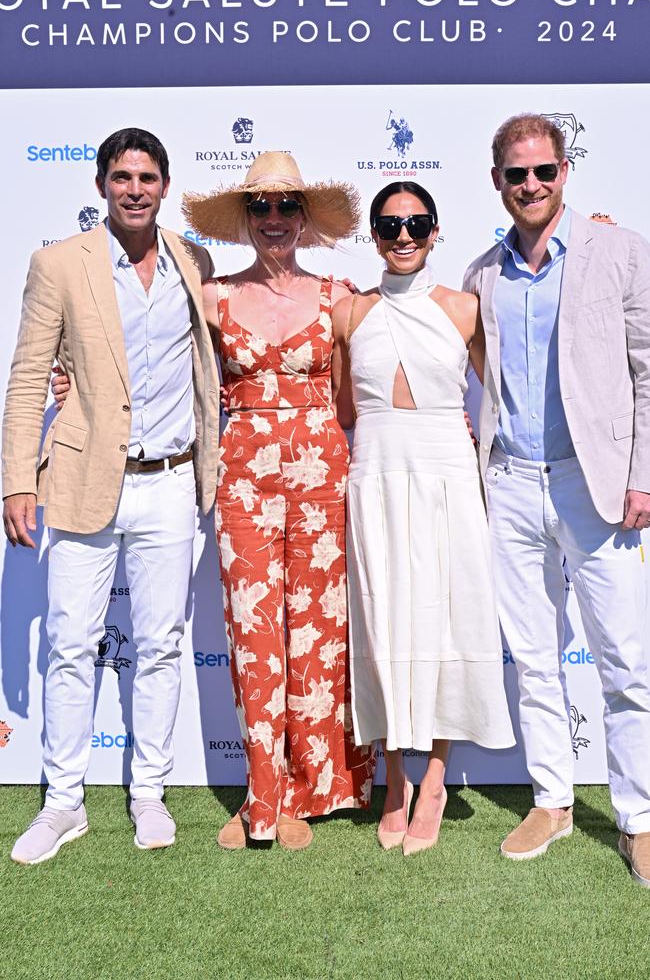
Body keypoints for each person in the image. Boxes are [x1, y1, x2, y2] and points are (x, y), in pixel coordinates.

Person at [3, 128, 220, 864]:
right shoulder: (59, 264)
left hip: (171, 483)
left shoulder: (195, 262)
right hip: (82, 480)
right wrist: (15, 481)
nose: (134, 189)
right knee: (70, 645)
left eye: (147, 177)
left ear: (165, 186)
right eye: (122, 176)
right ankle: (64, 803)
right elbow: (30, 375)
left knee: (160, 646)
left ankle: (149, 793)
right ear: (100, 185)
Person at [463, 113, 650, 884]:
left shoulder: (618, 250)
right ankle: (553, 798)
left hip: (595, 483)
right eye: (517, 174)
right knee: (536, 661)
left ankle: (638, 817)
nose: (531, 185)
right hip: (509, 481)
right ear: (498, 182)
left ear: (565, 172)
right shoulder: (483, 274)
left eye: (543, 171)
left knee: (626, 661)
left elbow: (647, 365)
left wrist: (643, 473)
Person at [182, 152, 375, 850]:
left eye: (286, 206)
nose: (273, 220)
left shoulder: (340, 296)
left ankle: (311, 789)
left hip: (324, 474)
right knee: (253, 635)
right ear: (244, 218)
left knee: (317, 636)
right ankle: (262, 796)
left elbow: (356, 396)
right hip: (242, 479)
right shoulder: (213, 297)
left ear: (304, 217)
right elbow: (154, 360)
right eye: (260, 208)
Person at [331, 181, 515, 856]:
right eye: (389, 224)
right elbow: (343, 409)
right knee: (384, 625)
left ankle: (434, 777)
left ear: (435, 231)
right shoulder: (349, 313)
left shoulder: (465, 308)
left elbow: (504, 390)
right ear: (372, 234)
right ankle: (394, 779)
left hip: (446, 473)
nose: (402, 236)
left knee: (442, 620)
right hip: (376, 472)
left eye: (416, 223)